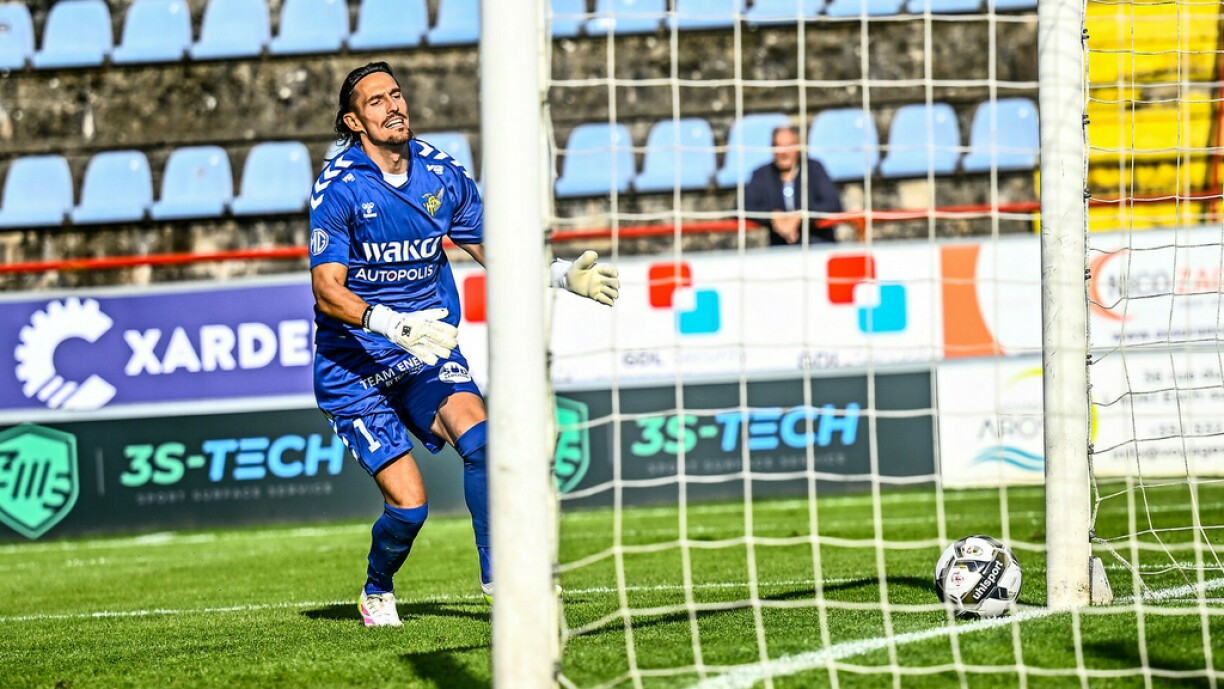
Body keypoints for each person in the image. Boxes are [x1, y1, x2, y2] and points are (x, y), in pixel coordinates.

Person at [309, 62, 620, 627]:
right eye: (376, 101)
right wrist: (392, 325)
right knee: (410, 508)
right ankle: (377, 587)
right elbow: (328, 293)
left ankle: (500, 579)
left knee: (483, 440)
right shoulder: (339, 188)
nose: (393, 106)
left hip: (426, 352)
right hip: (354, 366)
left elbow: (493, 248)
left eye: (396, 95)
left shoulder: (443, 174)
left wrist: (555, 274)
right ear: (354, 121)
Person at [744, 125, 843, 245]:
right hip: (779, 250)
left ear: (798, 147)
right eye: (778, 146)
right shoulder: (762, 174)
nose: (784, 152)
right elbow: (745, 206)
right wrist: (772, 215)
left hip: (817, 244)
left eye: (789, 146)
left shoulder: (814, 169)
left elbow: (832, 204)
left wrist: (800, 216)